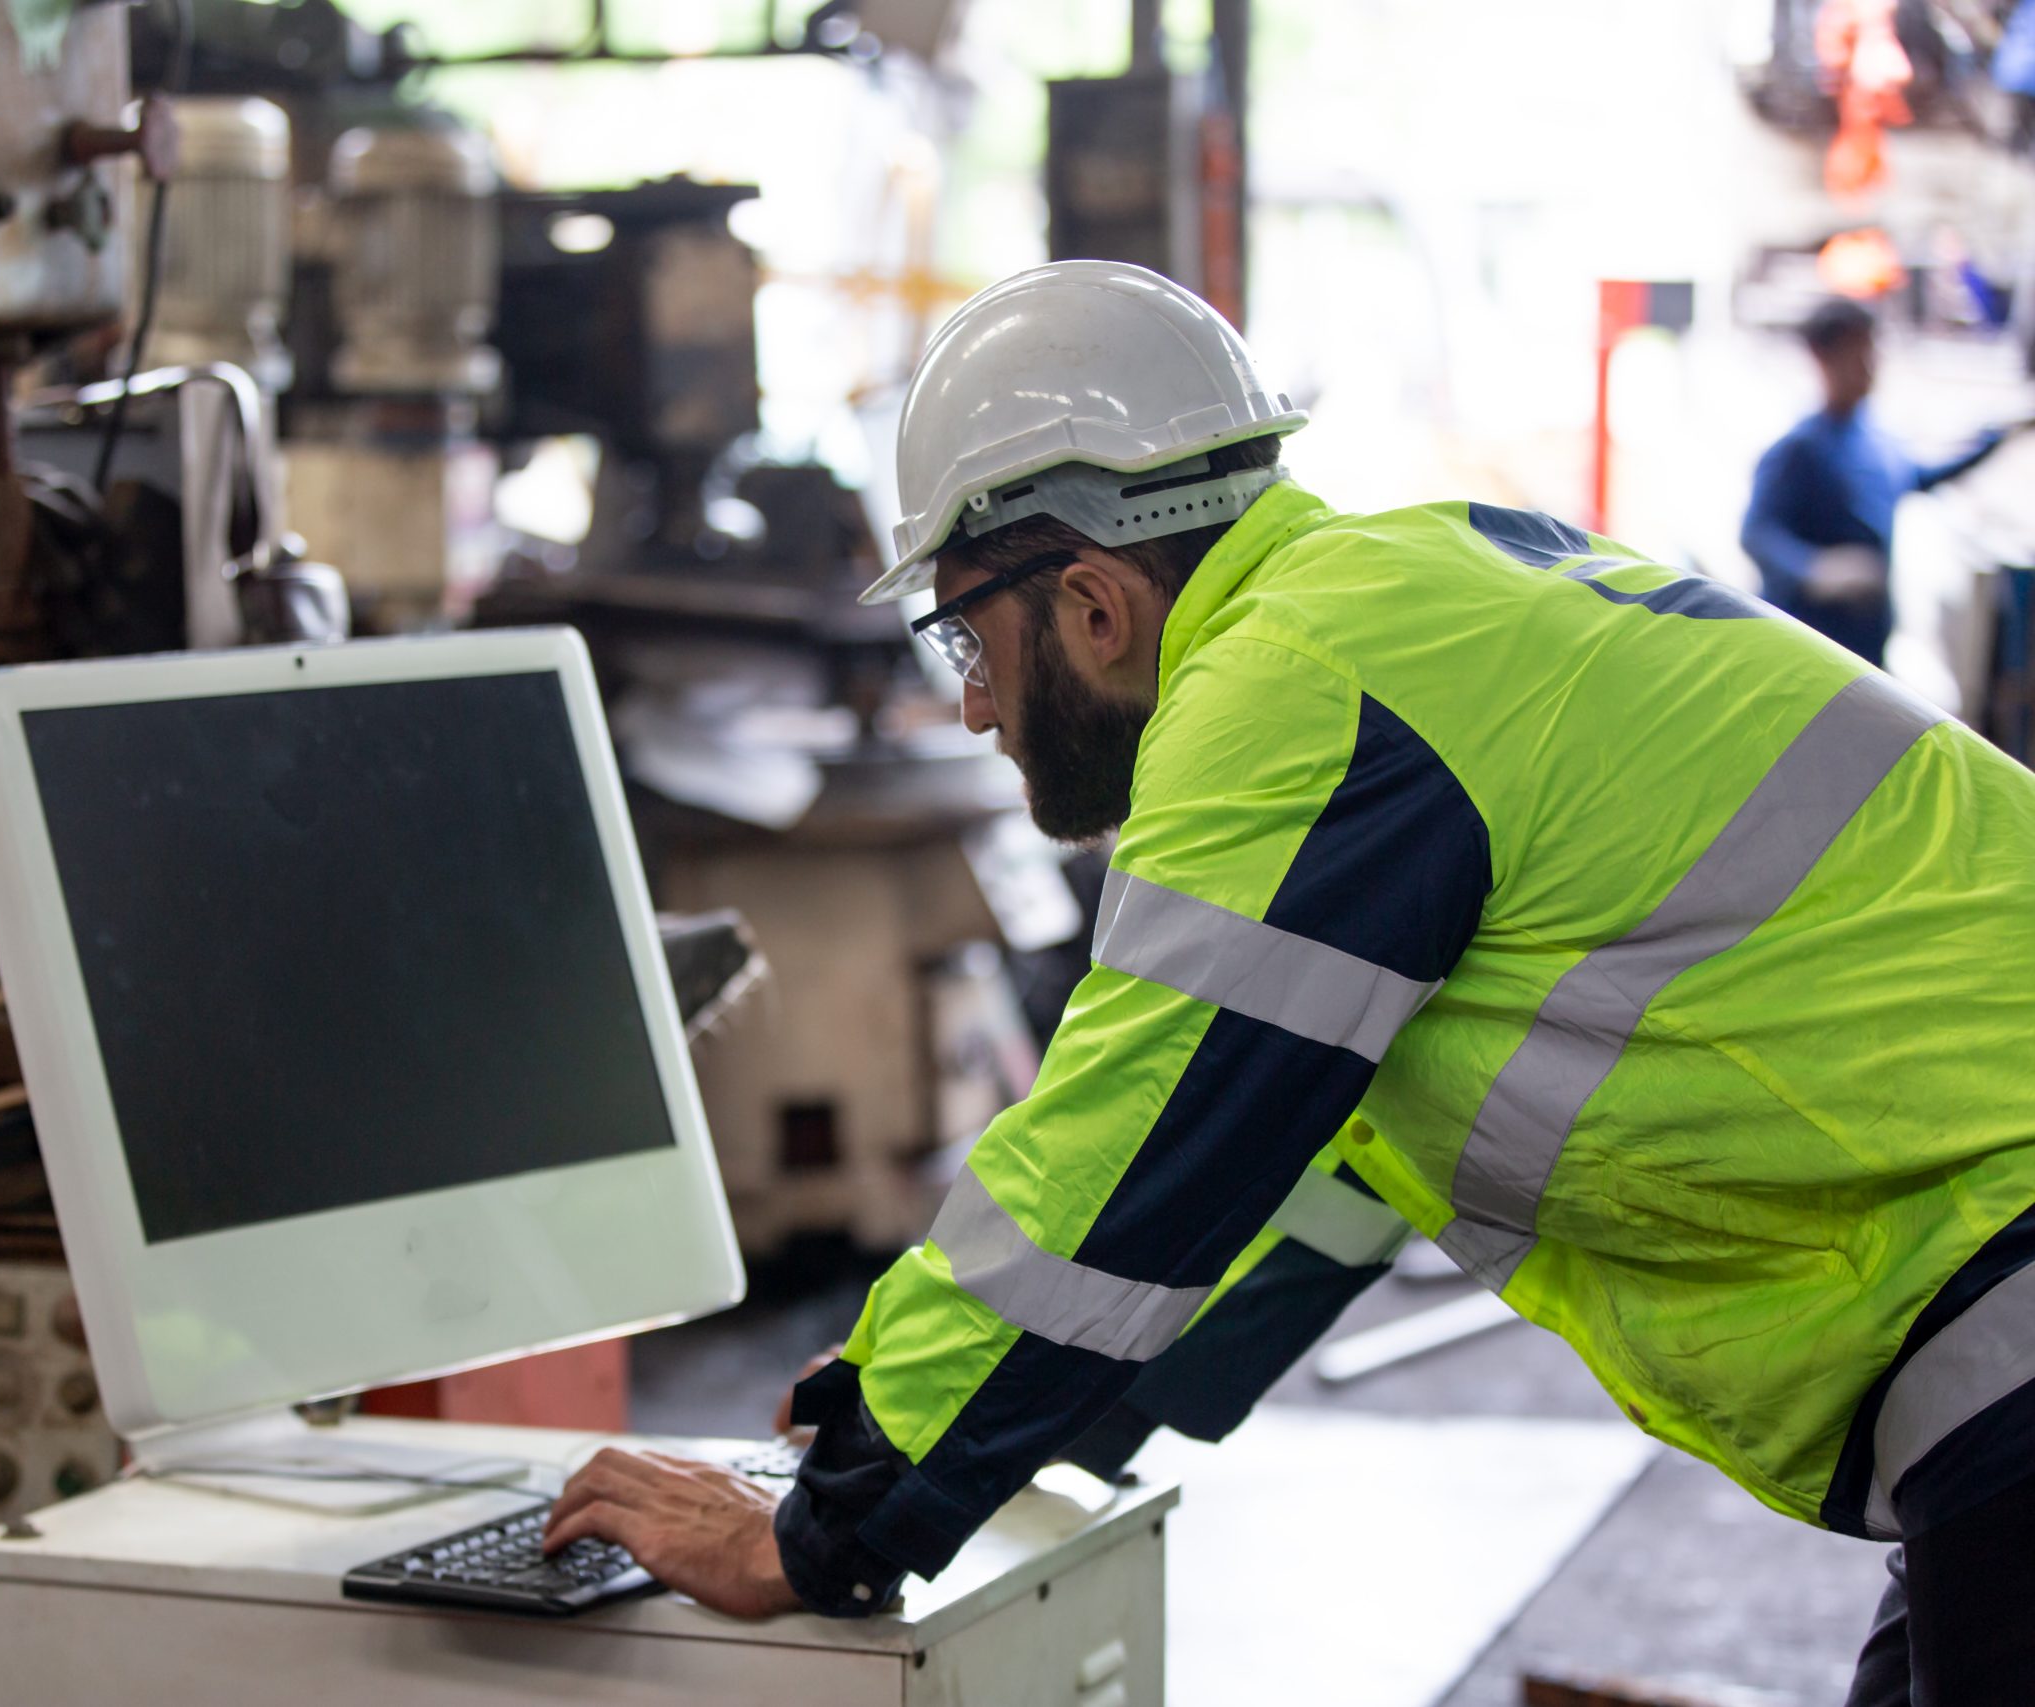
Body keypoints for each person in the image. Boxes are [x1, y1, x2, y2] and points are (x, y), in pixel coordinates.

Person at [542, 261, 2035, 1705]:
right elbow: (1283, 1165)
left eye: (967, 633)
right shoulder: (1413, 588)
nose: (976, 700)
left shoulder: (1291, 686)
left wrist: (826, 1521)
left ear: (1094, 604)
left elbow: (1118, 1158)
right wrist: (982, 1406)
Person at [1739, 295, 2013, 665]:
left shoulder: (1874, 440)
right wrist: (1816, 569)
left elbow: (1918, 476)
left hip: (1866, 643)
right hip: (1807, 649)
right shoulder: (1799, 450)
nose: (1869, 366)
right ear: (1823, 358)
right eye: (1857, 354)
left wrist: (1998, 437)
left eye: (1872, 352)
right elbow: (1757, 532)